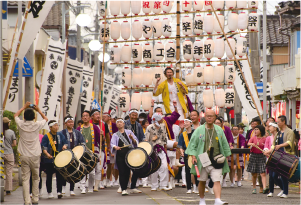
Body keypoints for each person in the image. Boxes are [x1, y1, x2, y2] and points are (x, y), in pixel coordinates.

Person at [186, 109, 231, 205]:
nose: (209, 118)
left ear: (215, 117)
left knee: (217, 180)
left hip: (217, 158)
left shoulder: (219, 130)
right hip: (202, 158)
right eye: (207, 116)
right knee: (202, 180)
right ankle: (202, 200)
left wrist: (227, 156)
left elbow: (224, 144)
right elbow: (192, 145)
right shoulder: (199, 130)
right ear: (204, 117)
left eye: (211, 116)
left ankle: (217, 200)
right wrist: (193, 155)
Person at [14, 102, 48, 205]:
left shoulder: (21, 124)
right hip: (35, 155)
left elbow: (15, 115)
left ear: (24, 117)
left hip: (24, 155)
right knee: (36, 178)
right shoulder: (37, 125)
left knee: (25, 179)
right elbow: (46, 119)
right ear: (34, 117)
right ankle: (35, 199)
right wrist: (39, 110)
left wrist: (24, 107)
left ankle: (27, 201)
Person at [264, 115, 295, 198]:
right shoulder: (278, 133)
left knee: (284, 175)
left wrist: (280, 145)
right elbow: (274, 145)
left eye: (278, 122)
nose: (277, 123)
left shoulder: (290, 131)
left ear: (283, 121)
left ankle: (285, 192)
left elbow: (289, 142)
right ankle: (282, 189)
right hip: (277, 156)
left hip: (286, 156)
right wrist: (268, 151)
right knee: (274, 175)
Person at [111, 119, 141, 196]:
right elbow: (112, 144)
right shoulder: (115, 135)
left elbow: (136, 142)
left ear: (124, 124)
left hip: (129, 155)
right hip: (120, 155)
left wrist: (132, 139)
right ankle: (123, 189)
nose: (119, 124)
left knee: (128, 172)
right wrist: (115, 147)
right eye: (118, 122)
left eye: (121, 122)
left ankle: (130, 186)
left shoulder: (129, 132)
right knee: (122, 172)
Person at [77, 110, 102, 193]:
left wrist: (102, 136)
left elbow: (100, 140)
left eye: (86, 115)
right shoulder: (78, 129)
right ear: (81, 118)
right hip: (82, 152)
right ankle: (83, 187)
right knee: (83, 170)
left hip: (92, 152)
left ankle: (91, 187)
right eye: (83, 116)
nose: (85, 117)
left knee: (92, 172)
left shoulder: (94, 127)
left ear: (90, 117)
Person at [41, 120, 68, 199]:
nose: (56, 127)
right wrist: (47, 154)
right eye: (55, 126)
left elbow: (65, 143)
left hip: (59, 159)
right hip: (49, 160)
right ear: (50, 127)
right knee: (49, 176)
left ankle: (59, 192)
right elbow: (44, 147)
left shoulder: (60, 135)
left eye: (57, 125)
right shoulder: (46, 136)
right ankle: (49, 192)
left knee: (59, 175)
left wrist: (65, 146)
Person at [59, 116, 85, 196]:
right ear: (65, 123)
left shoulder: (77, 132)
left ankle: (71, 189)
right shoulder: (61, 133)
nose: (71, 123)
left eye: (72, 122)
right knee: (64, 172)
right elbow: (59, 144)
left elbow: (82, 142)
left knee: (73, 171)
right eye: (69, 122)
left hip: (75, 155)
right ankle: (63, 187)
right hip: (65, 155)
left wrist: (80, 149)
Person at [145, 113, 170, 191]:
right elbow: (146, 139)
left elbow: (165, 137)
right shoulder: (149, 127)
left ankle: (163, 185)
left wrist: (165, 147)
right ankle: (154, 185)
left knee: (164, 166)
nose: (162, 119)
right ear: (156, 119)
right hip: (152, 149)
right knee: (154, 168)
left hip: (161, 148)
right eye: (160, 118)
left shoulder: (163, 126)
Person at [90, 109, 110, 189]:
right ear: (92, 116)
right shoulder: (89, 124)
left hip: (101, 147)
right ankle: (90, 183)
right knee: (91, 168)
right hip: (91, 148)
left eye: (99, 114)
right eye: (96, 114)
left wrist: (108, 146)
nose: (98, 116)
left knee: (100, 166)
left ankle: (98, 183)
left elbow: (107, 136)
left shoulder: (103, 124)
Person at [178, 119, 199, 194]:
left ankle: (196, 186)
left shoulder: (195, 132)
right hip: (187, 155)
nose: (185, 124)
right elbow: (180, 146)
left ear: (191, 123)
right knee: (188, 171)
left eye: (187, 122)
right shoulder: (182, 134)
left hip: (195, 154)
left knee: (196, 171)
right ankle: (189, 188)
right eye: (184, 122)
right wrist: (181, 152)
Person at [247, 125, 268, 194]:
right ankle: (254, 187)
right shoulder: (253, 138)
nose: (255, 131)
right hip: (253, 155)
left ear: (261, 131)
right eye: (255, 129)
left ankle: (264, 187)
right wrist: (252, 144)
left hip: (262, 156)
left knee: (262, 173)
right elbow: (248, 143)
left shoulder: (265, 139)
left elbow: (267, 146)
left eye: (257, 129)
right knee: (254, 174)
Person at [214, 117, 234, 187]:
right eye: (216, 123)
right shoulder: (212, 129)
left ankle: (223, 179)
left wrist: (230, 145)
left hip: (223, 149)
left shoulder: (226, 129)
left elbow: (230, 139)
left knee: (224, 164)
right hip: (214, 150)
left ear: (222, 123)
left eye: (218, 123)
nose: (217, 124)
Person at [264, 122, 282, 197]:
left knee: (277, 175)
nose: (269, 128)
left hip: (279, 158)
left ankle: (283, 188)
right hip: (270, 158)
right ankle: (271, 191)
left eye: (270, 126)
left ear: (275, 128)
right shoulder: (268, 138)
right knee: (271, 175)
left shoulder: (280, 136)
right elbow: (266, 146)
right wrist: (265, 151)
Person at [103, 112, 118, 187]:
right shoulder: (101, 125)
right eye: (103, 116)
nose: (103, 118)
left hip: (112, 146)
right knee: (103, 165)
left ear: (109, 118)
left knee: (111, 165)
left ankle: (109, 179)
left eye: (105, 116)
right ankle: (103, 180)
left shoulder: (114, 125)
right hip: (103, 146)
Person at [3, 117, 17, 195]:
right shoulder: (11, 132)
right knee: (9, 172)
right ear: (8, 124)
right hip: (9, 153)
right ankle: (8, 190)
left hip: (1, 153)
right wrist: (9, 145)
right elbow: (14, 144)